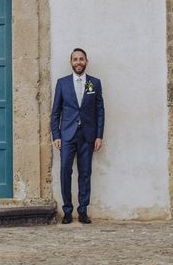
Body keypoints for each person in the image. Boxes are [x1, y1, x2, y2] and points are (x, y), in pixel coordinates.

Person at [50, 48, 104, 224]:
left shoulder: (94, 83)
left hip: (87, 135)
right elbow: (55, 112)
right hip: (67, 135)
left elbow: (100, 111)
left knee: (85, 172)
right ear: (71, 62)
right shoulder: (62, 83)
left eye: (81, 59)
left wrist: (99, 135)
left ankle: (82, 210)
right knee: (65, 171)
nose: (78, 62)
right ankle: (67, 210)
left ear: (86, 62)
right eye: (75, 59)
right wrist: (56, 135)